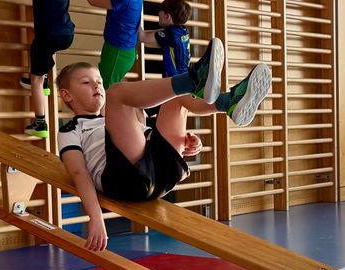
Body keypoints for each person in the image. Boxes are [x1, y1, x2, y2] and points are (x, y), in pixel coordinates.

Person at [56, 38, 271, 251]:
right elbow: (78, 174)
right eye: (86, 82)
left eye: (99, 81)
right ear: (67, 95)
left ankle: (228, 103)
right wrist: (95, 218)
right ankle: (193, 78)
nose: (96, 85)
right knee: (118, 94)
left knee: (174, 99)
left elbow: (148, 138)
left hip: (160, 174)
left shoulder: (117, 119)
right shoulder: (70, 130)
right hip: (124, 181)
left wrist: (187, 141)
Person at [4, 0, 74, 138]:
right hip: (66, 33)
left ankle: (40, 123)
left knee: (35, 77)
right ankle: (41, 78)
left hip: (48, 35)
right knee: (41, 58)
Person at [139, 0, 191, 78]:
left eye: (161, 11)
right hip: (182, 79)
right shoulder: (182, 30)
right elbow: (148, 40)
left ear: (167, 16)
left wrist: (134, 11)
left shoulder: (171, 35)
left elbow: (142, 37)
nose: (159, 13)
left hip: (174, 82)